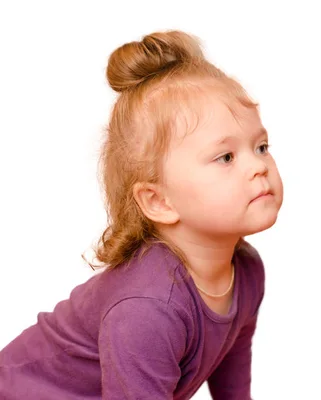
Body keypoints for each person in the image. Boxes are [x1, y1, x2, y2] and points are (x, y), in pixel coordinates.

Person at [0, 29, 284, 399]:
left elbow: (231, 374)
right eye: (226, 157)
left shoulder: (246, 270)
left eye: (261, 147)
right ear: (158, 201)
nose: (258, 167)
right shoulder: (148, 308)